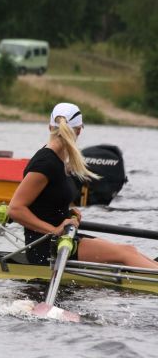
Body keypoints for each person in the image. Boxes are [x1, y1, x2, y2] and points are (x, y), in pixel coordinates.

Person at [9, 102, 158, 269]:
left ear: (50, 127)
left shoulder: (58, 159)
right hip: (46, 247)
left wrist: (67, 212)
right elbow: (15, 209)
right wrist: (54, 230)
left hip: (63, 239)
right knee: (125, 254)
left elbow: (46, 202)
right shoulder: (45, 163)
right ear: (79, 130)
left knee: (129, 250)